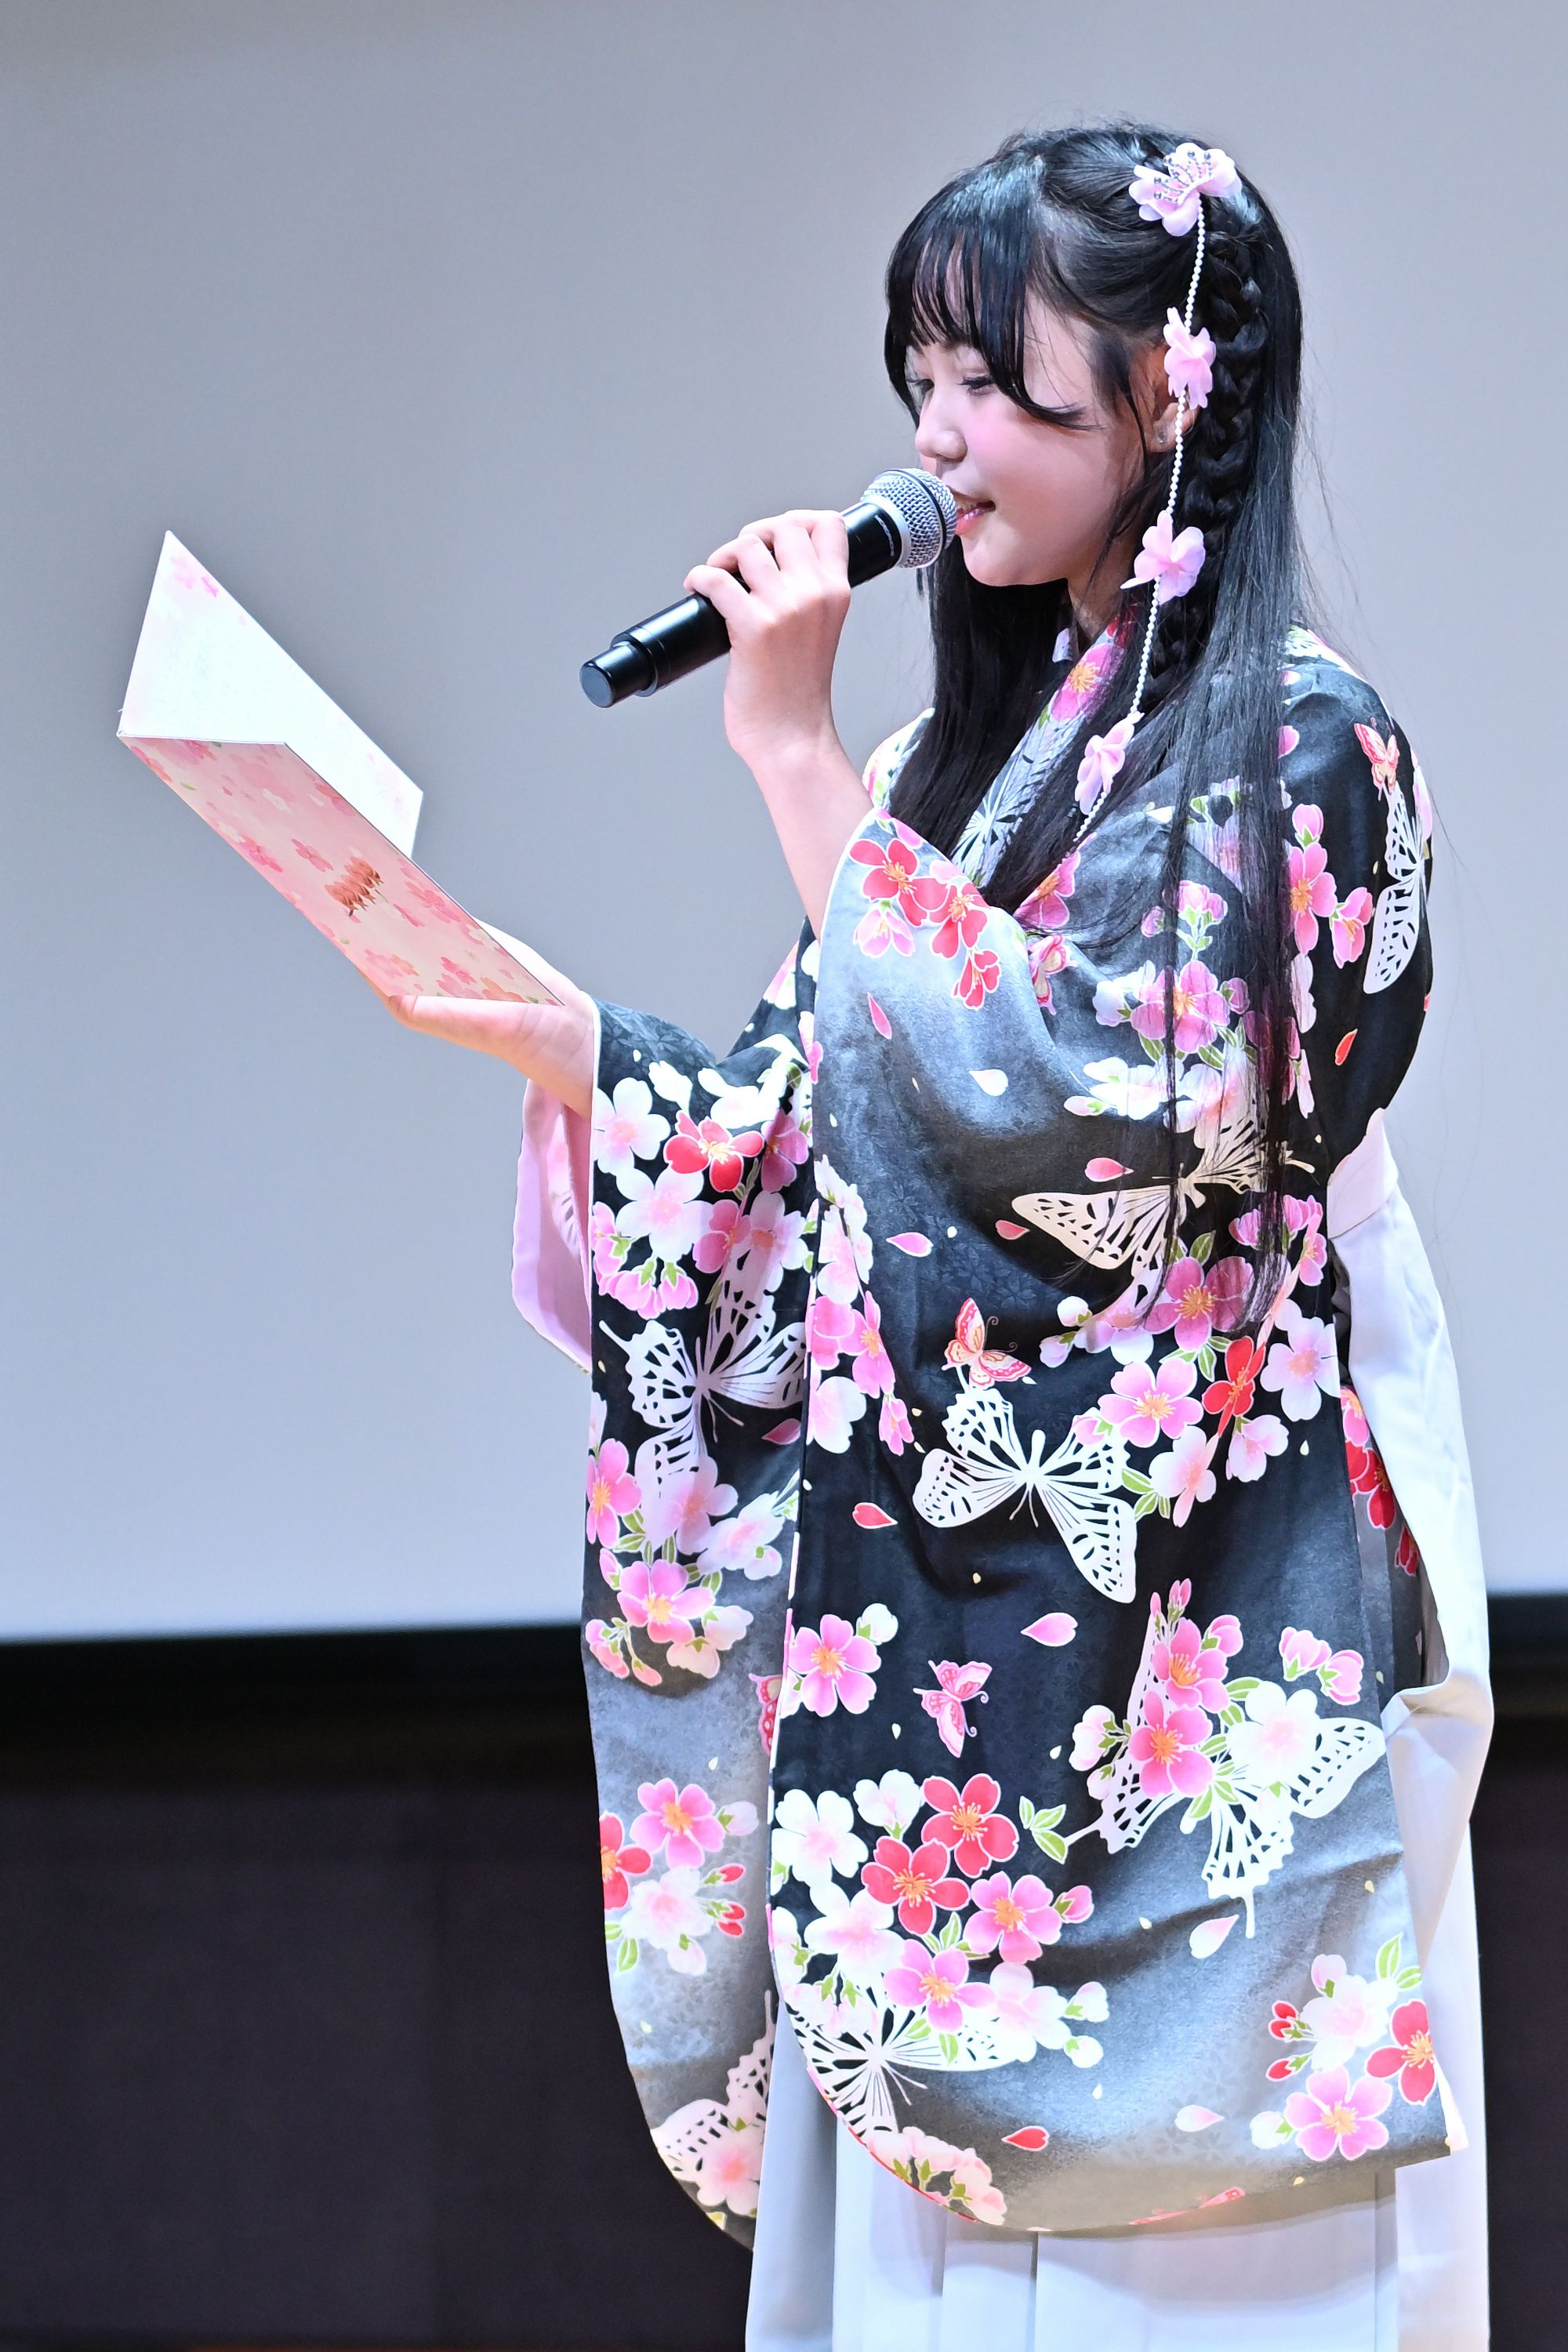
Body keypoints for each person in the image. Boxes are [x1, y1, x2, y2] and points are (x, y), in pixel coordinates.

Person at [372, 123, 1490, 2352]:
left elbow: (1088, 1137)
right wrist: (586, 1056)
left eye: (997, 385)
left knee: (1202, 2232)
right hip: (956, 1595)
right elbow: (829, 1141)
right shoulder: (947, 775)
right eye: (922, 381)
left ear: (1169, 401)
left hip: (1224, 1545)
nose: (936, 440)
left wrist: (790, 757)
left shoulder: (1309, 746)